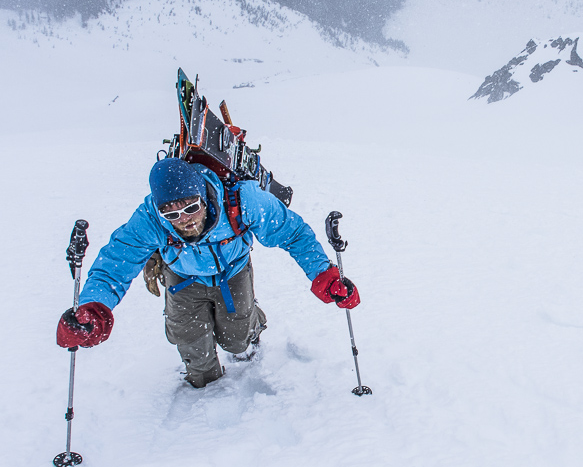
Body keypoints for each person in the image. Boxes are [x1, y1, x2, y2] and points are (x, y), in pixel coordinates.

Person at [55, 157, 359, 388]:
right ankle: (204, 391)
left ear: (204, 195)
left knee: (237, 340)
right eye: (172, 214)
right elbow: (115, 264)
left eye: (191, 208)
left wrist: (325, 275)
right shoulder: (149, 219)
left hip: (233, 270)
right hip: (182, 278)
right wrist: (92, 308)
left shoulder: (244, 200)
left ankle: (253, 323)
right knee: (195, 357)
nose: (184, 220)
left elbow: (293, 233)